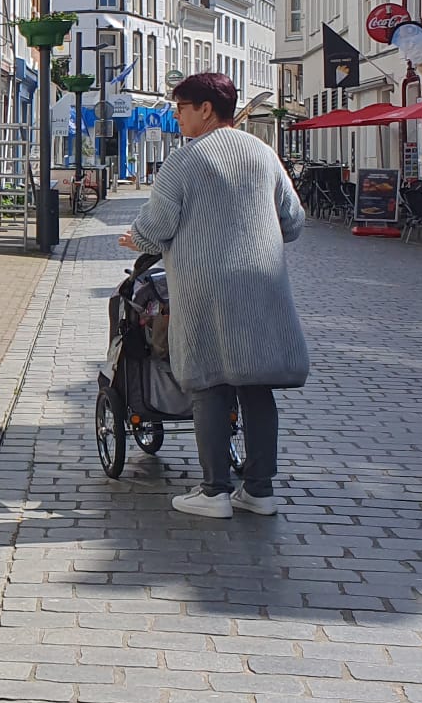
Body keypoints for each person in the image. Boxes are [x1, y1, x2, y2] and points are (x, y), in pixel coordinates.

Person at [119, 72, 307, 520]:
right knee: (257, 385)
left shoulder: (185, 161)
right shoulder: (263, 154)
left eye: (181, 106)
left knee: (208, 381)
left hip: (205, 284)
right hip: (263, 282)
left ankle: (214, 491)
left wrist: (136, 239)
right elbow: (294, 220)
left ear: (205, 109)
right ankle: (259, 490)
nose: (176, 115)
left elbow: (157, 225)